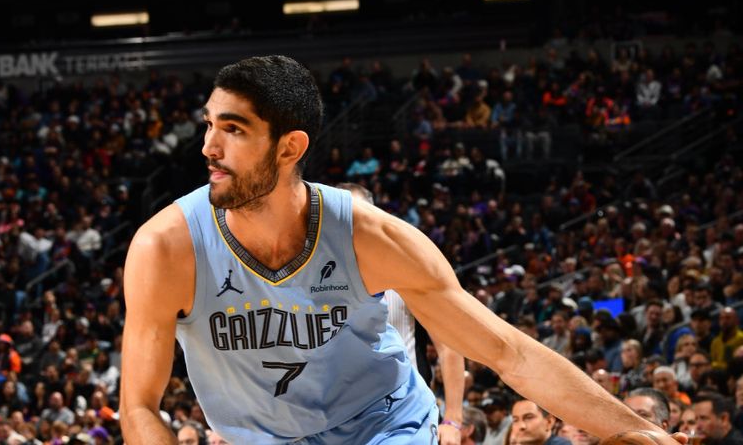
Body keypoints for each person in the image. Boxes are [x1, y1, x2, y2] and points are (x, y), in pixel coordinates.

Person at [120, 55, 680, 444]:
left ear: (290, 147)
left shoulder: (372, 236)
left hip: (383, 425)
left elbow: (510, 353)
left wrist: (643, 432)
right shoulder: (164, 247)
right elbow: (140, 405)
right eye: (209, 124)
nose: (209, 147)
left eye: (234, 130)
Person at [338, 182, 465, 445]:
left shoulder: (403, 270)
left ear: (374, 216)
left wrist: (452, 420)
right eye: (340, 215)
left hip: (406, 420)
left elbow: (450, 346)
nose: (350, 222)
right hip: (341, 421)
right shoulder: (317, 280)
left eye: (357, 212)